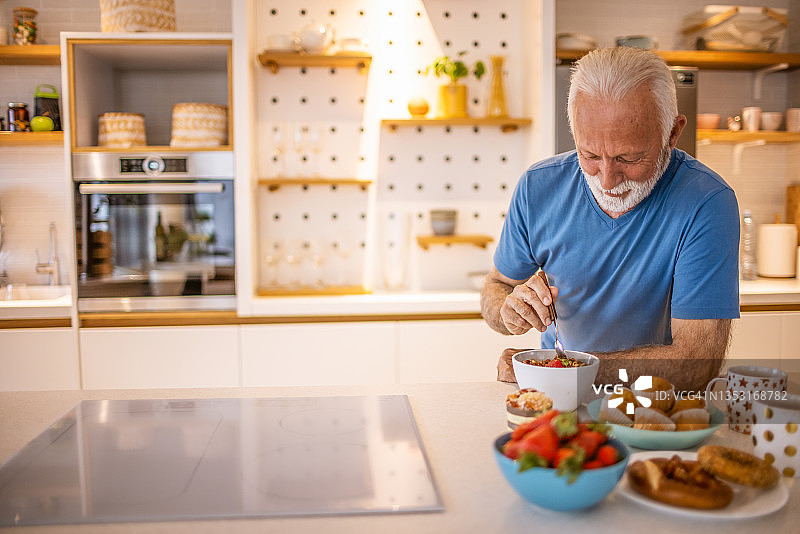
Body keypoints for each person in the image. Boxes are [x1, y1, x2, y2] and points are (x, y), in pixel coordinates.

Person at [480, 47, 740, 392]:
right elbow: (496, 285)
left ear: (673, 134)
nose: (607, 180)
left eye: (629, 158)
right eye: (589, 155)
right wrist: (508, 310)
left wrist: (566, 371)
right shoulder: (538, 185)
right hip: (554, 401)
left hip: (656, 405)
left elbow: (696, 363)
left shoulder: (707, 202)